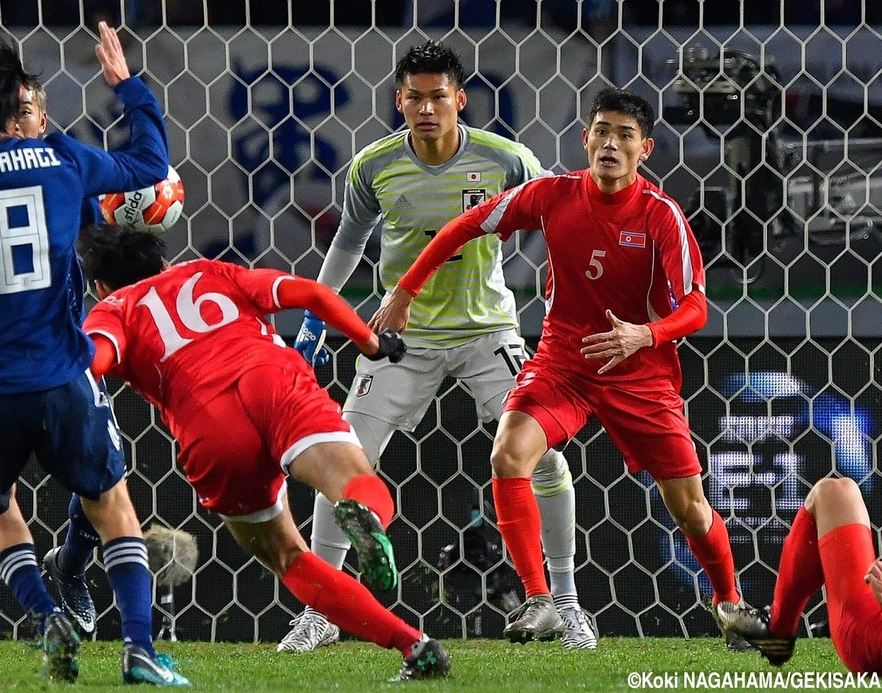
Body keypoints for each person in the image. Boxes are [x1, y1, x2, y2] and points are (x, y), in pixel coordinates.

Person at [370, 86, 747, 648]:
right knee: (508, 453)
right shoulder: (551, 194)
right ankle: (541, 601)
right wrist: (404, 291)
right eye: (602, 131)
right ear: (585, 139)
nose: (610, 144)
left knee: (691, 511)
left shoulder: (661, 215)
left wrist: (645, 334)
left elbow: (696, 306)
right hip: (563, 365)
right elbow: (465, 225)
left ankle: (731, 605)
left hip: (640, 375)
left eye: (624, 135)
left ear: (645, 149)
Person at [288, 40, 596, 652]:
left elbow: (560, 214)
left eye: (438, 97)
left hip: (488, 333)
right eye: (414, 97)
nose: (426, 108)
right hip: (406, 338)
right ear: (398, 101)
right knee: (340, 457)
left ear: (460, 100)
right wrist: (314, 323)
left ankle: (566, 604)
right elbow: (347, 246)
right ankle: (323, 610)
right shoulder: (373, 167)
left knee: (543, 460)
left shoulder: (505, 159)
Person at [76, 222, 452, 682]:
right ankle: (359, 511)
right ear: (164, 263)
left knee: (287, 555)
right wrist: (372, 343)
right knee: (353, 480)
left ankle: (413, 646)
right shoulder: (209, 271)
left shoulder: (112, 310)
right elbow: (311, 295)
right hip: (270, 378)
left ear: (99, 287)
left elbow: (93, 362)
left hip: (206, 424)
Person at [0, 24, 188, 685]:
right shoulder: (65, 161)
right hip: (64, 371)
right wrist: (129, 88)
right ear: (16, 107)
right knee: (112, 498)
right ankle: (139, 650)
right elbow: (150, 165)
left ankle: (44, 613)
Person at [12, 75, 129, 640]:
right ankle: (46, 614)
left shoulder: (65, 175)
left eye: (27, 112)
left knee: (105, 478)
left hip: (62, 351)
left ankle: (71, 569)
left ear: (43, 121)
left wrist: (127, 230)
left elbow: (97, 248)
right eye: (7, 113)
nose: (17, 123)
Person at [717, 477, 882, 672]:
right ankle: (778, 628)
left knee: (829, 492)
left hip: (872, 641)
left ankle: (777, 630)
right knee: (835, 492)